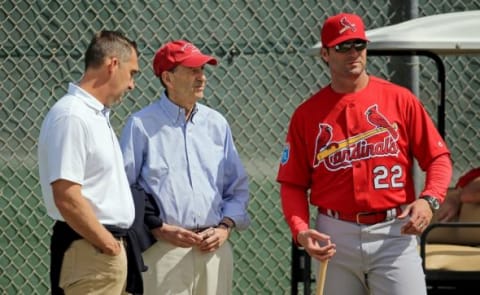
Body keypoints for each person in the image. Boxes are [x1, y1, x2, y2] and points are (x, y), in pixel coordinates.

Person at [276, 12, 452, 295]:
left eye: (359, 44)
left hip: (394, 231)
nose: (353, 52)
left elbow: (438, 158)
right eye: (343, 46)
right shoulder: (307, 115)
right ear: (325, 54)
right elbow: (293, 183)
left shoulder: (400, 99)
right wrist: (300, 229)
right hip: (334, 235)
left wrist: (429, 200)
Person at [119, 40, 250, 295]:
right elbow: (125, 188)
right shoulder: (141, 125)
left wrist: (224, 227)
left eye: (202, 70)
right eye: (192, 70)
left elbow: (237, 188)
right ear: (168, 77)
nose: (201, 77)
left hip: (214, 251)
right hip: (163, 252)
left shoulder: (217, 124)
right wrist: (156, 226)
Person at [38, 30, 142, 295]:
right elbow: (67, 196)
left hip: (103, 252)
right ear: (112, 64)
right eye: (132, 73)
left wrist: (114, 249)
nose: (132, 85)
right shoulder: (72, 116)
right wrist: (108, 244)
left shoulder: (94, 116)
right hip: (91, 252)